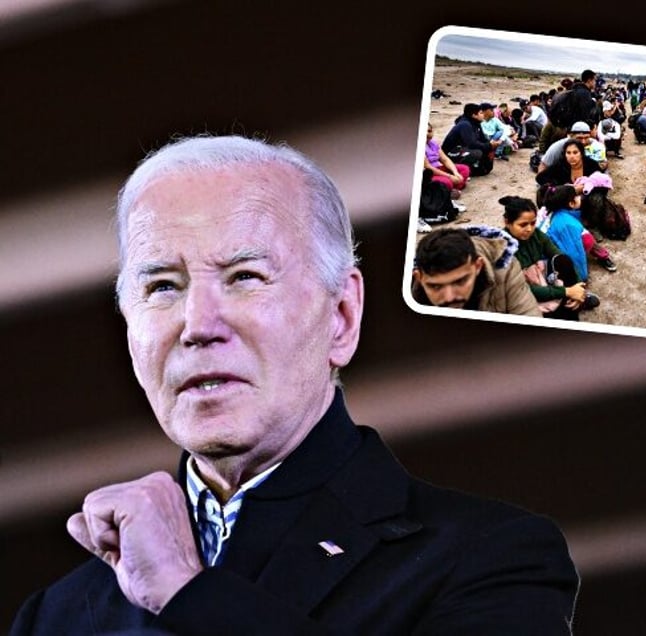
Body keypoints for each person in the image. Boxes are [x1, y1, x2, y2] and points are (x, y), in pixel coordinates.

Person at [11, 135, 579, 634]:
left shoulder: (489, 557)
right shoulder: (57, 616)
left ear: (342, 316)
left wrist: (190, 594)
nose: (197, 325)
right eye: (162, 286)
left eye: (244, 277)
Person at [499, 194, 600, 320]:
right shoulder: (503, 249)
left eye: (533, 223)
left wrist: (579, 287)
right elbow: (522, 289)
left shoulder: (536, 234)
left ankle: (577, 299)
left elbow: (559, 255)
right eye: (523, 224)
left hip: (540, 277)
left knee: (563, 260)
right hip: (521, 293)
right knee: (560, 314)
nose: (529, 229)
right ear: (507, 222)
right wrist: (567, 291)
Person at [412, 225, 544, 316]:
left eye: (460, 281)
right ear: (419, 277)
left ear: (478, 266)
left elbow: (529, 315)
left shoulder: (505, 270)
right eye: (435, 286)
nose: (449, 297)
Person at [538, 183, 618, 275]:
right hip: (552, 256)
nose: (580, 197)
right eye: (576, 196)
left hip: (550, 248)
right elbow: (573, 253)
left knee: (585, 235)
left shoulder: (555, 211)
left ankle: (602, 256)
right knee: (587, 239)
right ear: (571, 203)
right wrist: (580, 275)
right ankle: (601, 257)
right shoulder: (566, 224)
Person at [441, 102, 497, 176]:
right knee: (477, 153)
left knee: (486, 159)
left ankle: (472, 170)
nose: (483, 115)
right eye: (480, 113)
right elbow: (472, 144)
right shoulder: (465, 124)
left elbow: (483, 139)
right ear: (474, 115)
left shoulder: (476, 123)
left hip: (462, 149)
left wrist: (491, 147)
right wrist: (489, 146)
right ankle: (457, 170)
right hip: (450, 153)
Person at [423, 122, 471, 193]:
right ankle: (453, 188)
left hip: (439, 168)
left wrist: (456, 173)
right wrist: (449, 176)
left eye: (429, 131)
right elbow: (428, 167)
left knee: (465, 169)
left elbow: (445, 159)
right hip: (429, 173)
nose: (427, 134)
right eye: (424, 132)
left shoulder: (433, 143)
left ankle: (451, 189)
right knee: (447, 182)